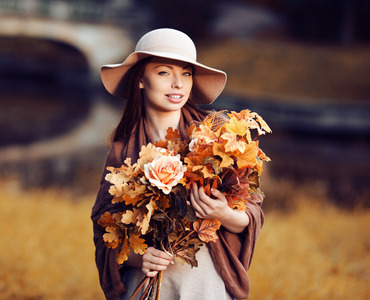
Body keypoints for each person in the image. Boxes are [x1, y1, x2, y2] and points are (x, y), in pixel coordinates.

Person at [91, 28, 264, 300]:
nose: (178, 84)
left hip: (205, 285)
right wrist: (140, 257)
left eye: (186, 73)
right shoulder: (123, 149)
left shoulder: (219, 136)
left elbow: (251, 214)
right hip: (146, 287)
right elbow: (104, 231)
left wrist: (223, 212)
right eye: (163, 72)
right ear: (140, 80)